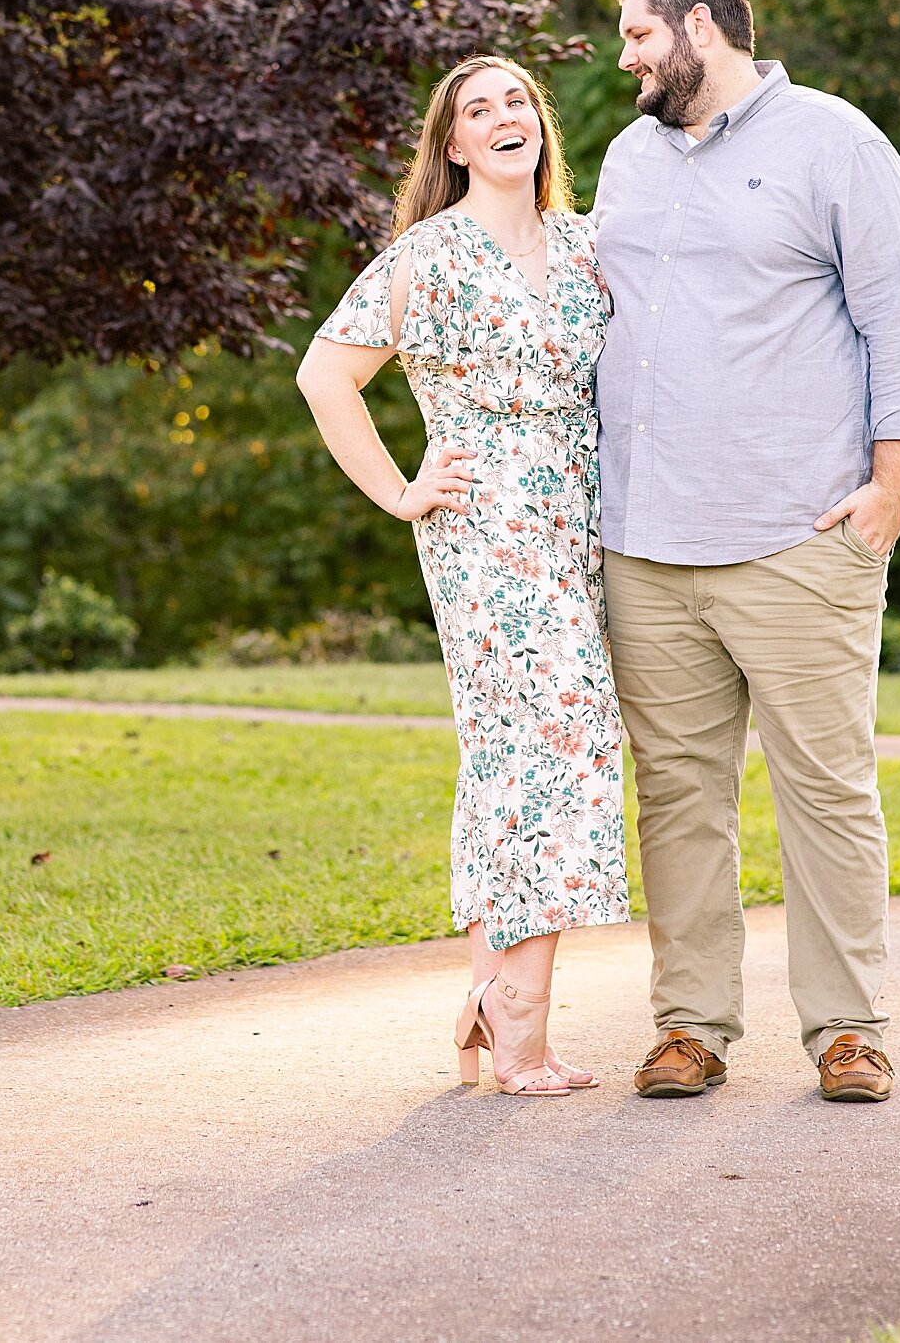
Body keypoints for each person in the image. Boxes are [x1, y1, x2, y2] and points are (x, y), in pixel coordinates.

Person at [594, 0, 900, 1105]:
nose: (627, 57)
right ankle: (691, 1027)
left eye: (640, 35)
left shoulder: (834, 141)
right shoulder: (627, 158)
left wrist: (891, 490)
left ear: (703, 26)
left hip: (797, 534)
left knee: (826, 789)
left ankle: (848, 1029)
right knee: (678, 794)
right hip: (645, 544)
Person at [297, 54, 629, 1097]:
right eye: (476, 111)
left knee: (512, 757)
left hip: (580, 533)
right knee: (555, 746)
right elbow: (325, 374)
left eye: (516, 102)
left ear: (541, 126)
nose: (500, 119)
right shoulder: (428, 256)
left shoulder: (587, 247)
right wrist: (400, 488)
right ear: (452, 146)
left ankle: (493, 995)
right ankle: (520, 1022)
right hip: (485, 537)